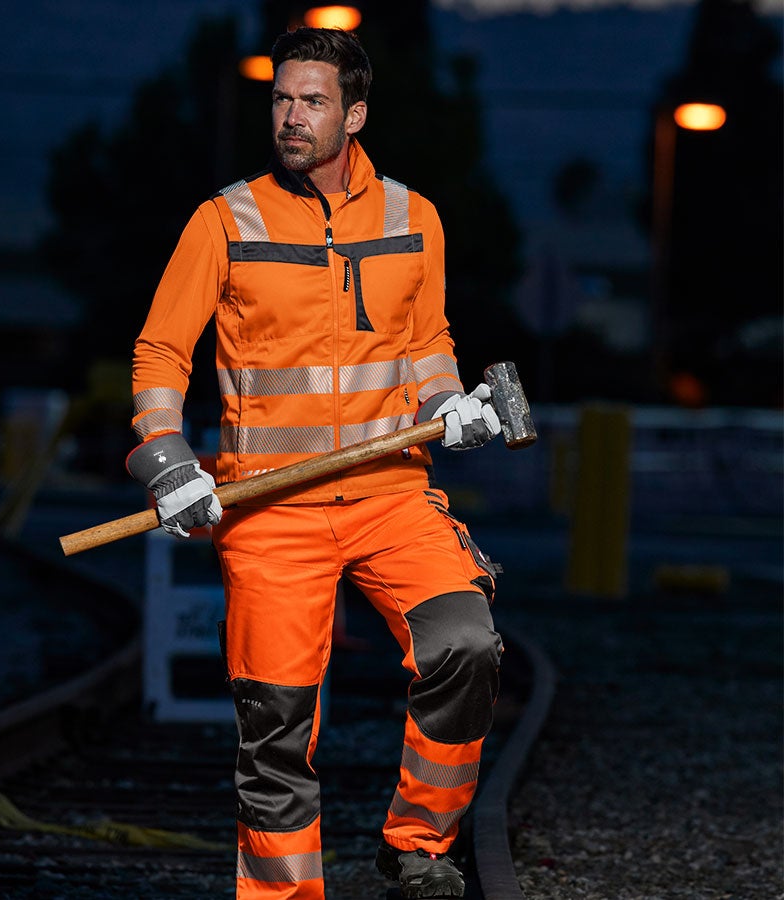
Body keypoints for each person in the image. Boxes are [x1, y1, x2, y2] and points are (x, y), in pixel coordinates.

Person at [125, 26, 503, 900]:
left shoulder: (415, 218)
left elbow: (428, 345)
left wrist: (452, 408)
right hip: (267, 511)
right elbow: (158, 354)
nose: (290, 117)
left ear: (355, 113)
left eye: (312, 101)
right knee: (277, 731)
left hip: (392, 496)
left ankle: (418, 848)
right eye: (280, 99)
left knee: (467, 645)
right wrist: (168, 458)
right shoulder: (225, 219)